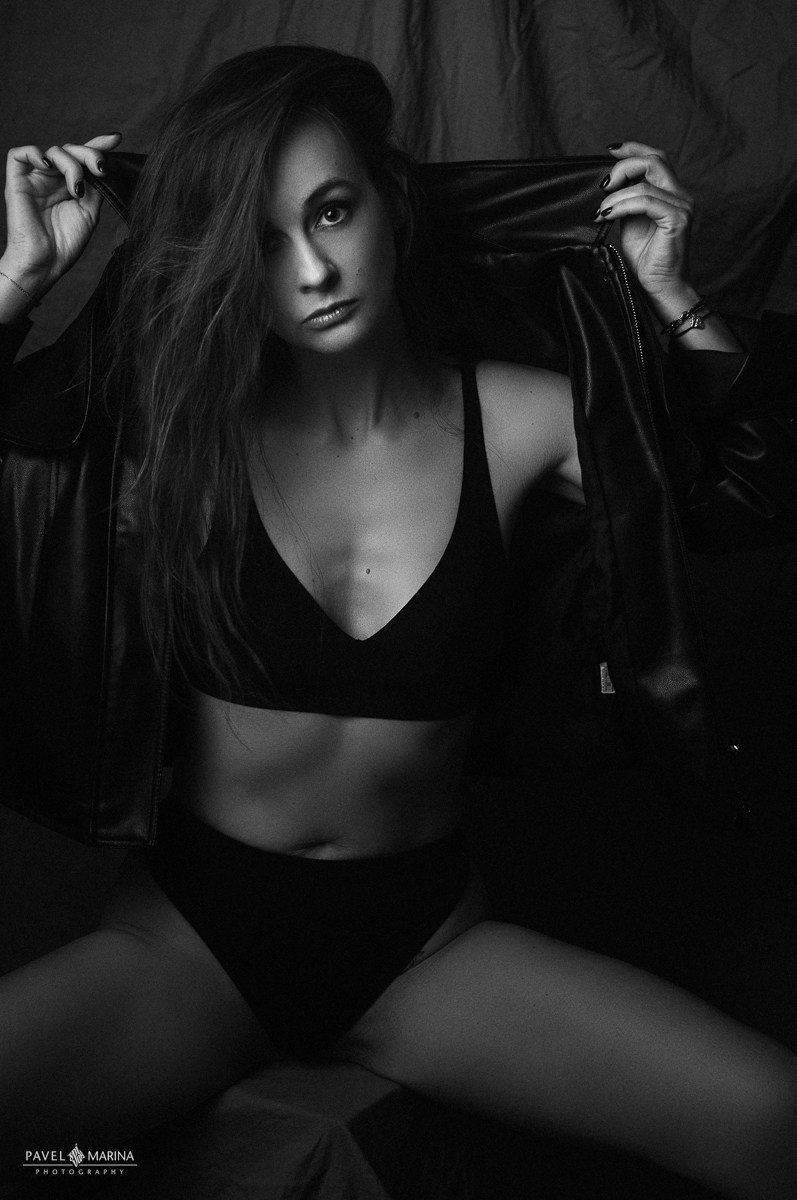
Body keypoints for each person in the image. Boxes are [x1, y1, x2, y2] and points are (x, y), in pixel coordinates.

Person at [1, 44, 796, 1198]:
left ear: (390, 201)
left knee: (770, 1122)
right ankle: (94, 1175)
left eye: (332, 210)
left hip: (424, 946)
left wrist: (670, 293)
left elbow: (752, 489)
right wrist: (18, 280)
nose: (311, 269)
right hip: (187, 943)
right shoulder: (171, 428)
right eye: (261, 240)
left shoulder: (524, 420)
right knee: (48, 1161)